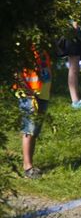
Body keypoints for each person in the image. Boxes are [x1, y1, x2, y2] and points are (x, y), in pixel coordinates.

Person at [15, 48, 52, 178]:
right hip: (29, 94)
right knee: (29, 129)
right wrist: (26, 89)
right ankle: (27, 166)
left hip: (43, 92)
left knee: (35, 130)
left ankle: (30, 162)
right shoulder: (23, 44)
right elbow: (16, 71)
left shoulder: (43, 44)